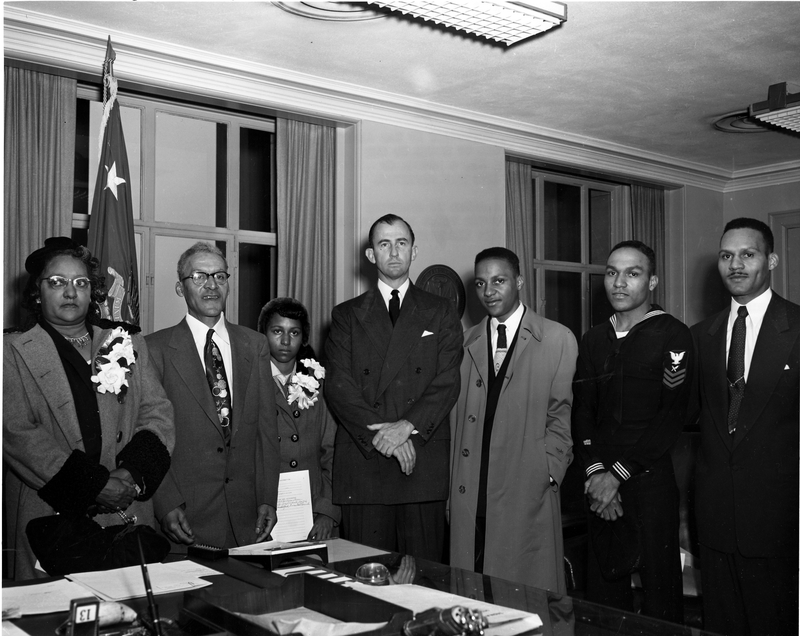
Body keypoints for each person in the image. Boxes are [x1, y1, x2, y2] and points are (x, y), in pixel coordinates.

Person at [3, 237, 175, 580]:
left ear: (93, 292)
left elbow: (158, 414)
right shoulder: (11, 351)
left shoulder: (126, 341)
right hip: (51, 520)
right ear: (37, 292)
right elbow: (16, 433)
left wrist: (131, 476)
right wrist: (94, 486)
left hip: (128, 509)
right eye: (57, 282)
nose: (70, 292)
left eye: (81, 283)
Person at [324, 214, 463, 561]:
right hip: (365, 464)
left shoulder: (441, 311)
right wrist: (385, 435)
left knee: (424, 584)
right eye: (384, 244)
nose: (394, 251)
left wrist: (405, 427)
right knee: (365, 585)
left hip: (421, 462)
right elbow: (339, 386)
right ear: (371, 255)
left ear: (414, 251)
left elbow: (447, 380)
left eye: (401, 243)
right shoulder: (346, 315)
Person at [571, 240, 692, 621]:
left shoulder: (673, 335)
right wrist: (596, 474)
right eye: (611, 273)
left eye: (632, 273)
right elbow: (583, 412)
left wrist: (618, 475)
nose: (619, 283)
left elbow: (670, 418)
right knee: (605, 599)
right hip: (599, 486)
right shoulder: (593, 339)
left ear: (652, 281)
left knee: (661, 598)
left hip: (649, 483)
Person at [692, 218, 799, 636]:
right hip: (716, 521)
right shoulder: (701, 335)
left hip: (779, 524)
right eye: (726, 256)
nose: (735, 265)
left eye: (747, 254)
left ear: (771, 259)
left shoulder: (797, 327)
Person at [449, 247, 577, 593]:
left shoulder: (556, 339)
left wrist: (546, 472)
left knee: (525, 593)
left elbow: (561, 418)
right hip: (473, 491)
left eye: (499, 281)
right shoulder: (465, 343)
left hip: (527, 490)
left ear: (519, 281)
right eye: (480, 283)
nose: (488, 292)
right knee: (475, 593)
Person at [146, 242, 280, 550]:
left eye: (220, 276)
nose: (211, 285)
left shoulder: (255, 345)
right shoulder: (154, 350)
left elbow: (266, 433)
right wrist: (165, 503)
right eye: (199, 277)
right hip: (185, 518)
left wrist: (268, 498)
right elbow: (147, 438)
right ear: (181, 289)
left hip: (247, 518)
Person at [258, 297, 340, 540]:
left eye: (294, 332)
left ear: (303, 338)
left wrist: (327, 512)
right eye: (277, 331)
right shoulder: (250, 382)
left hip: (313, 510)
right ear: (263, 335)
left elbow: (332, 452)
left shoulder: (319, 385)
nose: (285, 341)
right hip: (265, 509)